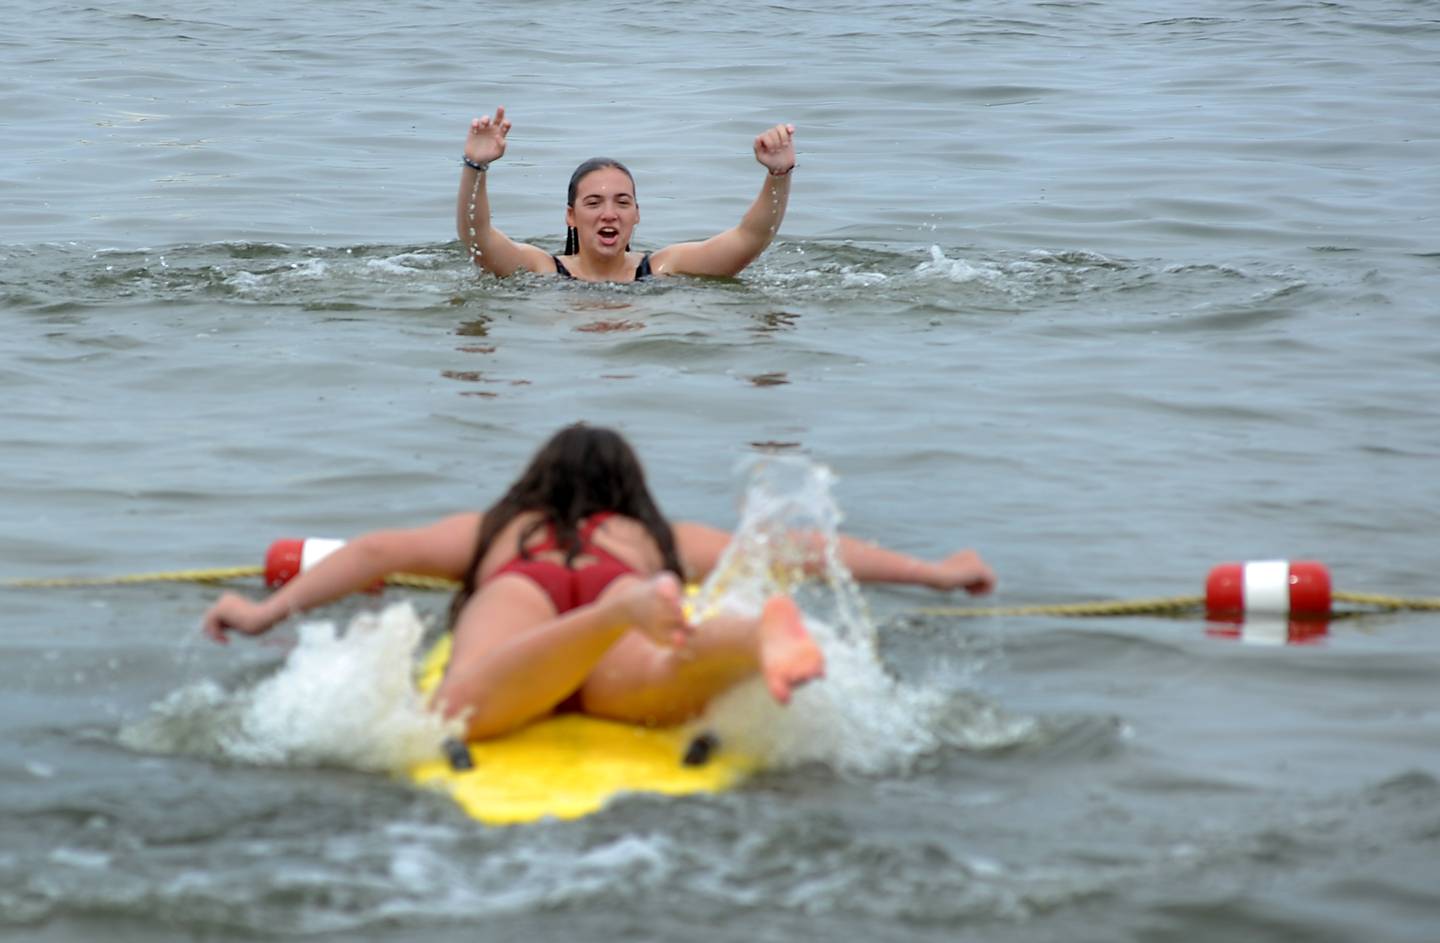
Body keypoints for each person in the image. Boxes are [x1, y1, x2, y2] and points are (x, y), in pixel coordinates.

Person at [202, 424, 996, 741]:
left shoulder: (502, 527)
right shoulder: (655, 536)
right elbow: (797, 547)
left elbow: (375, 550)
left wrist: (263, 606)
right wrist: (938, 573)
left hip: (521, 591)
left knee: (455, 712)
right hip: (635, 587)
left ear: (536, 479)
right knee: (664, 673)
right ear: (629, 487)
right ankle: (751, 636)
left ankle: (603, 619)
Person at [455, 106, 797, 282]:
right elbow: (478, 239)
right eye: (593, 203)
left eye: (623, 202)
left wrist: (778, 174)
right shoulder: (543, 270)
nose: (609, 214)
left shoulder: (663, 268)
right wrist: (475, 166)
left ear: (636, 215)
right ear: (570, 216)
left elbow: (749, 238)